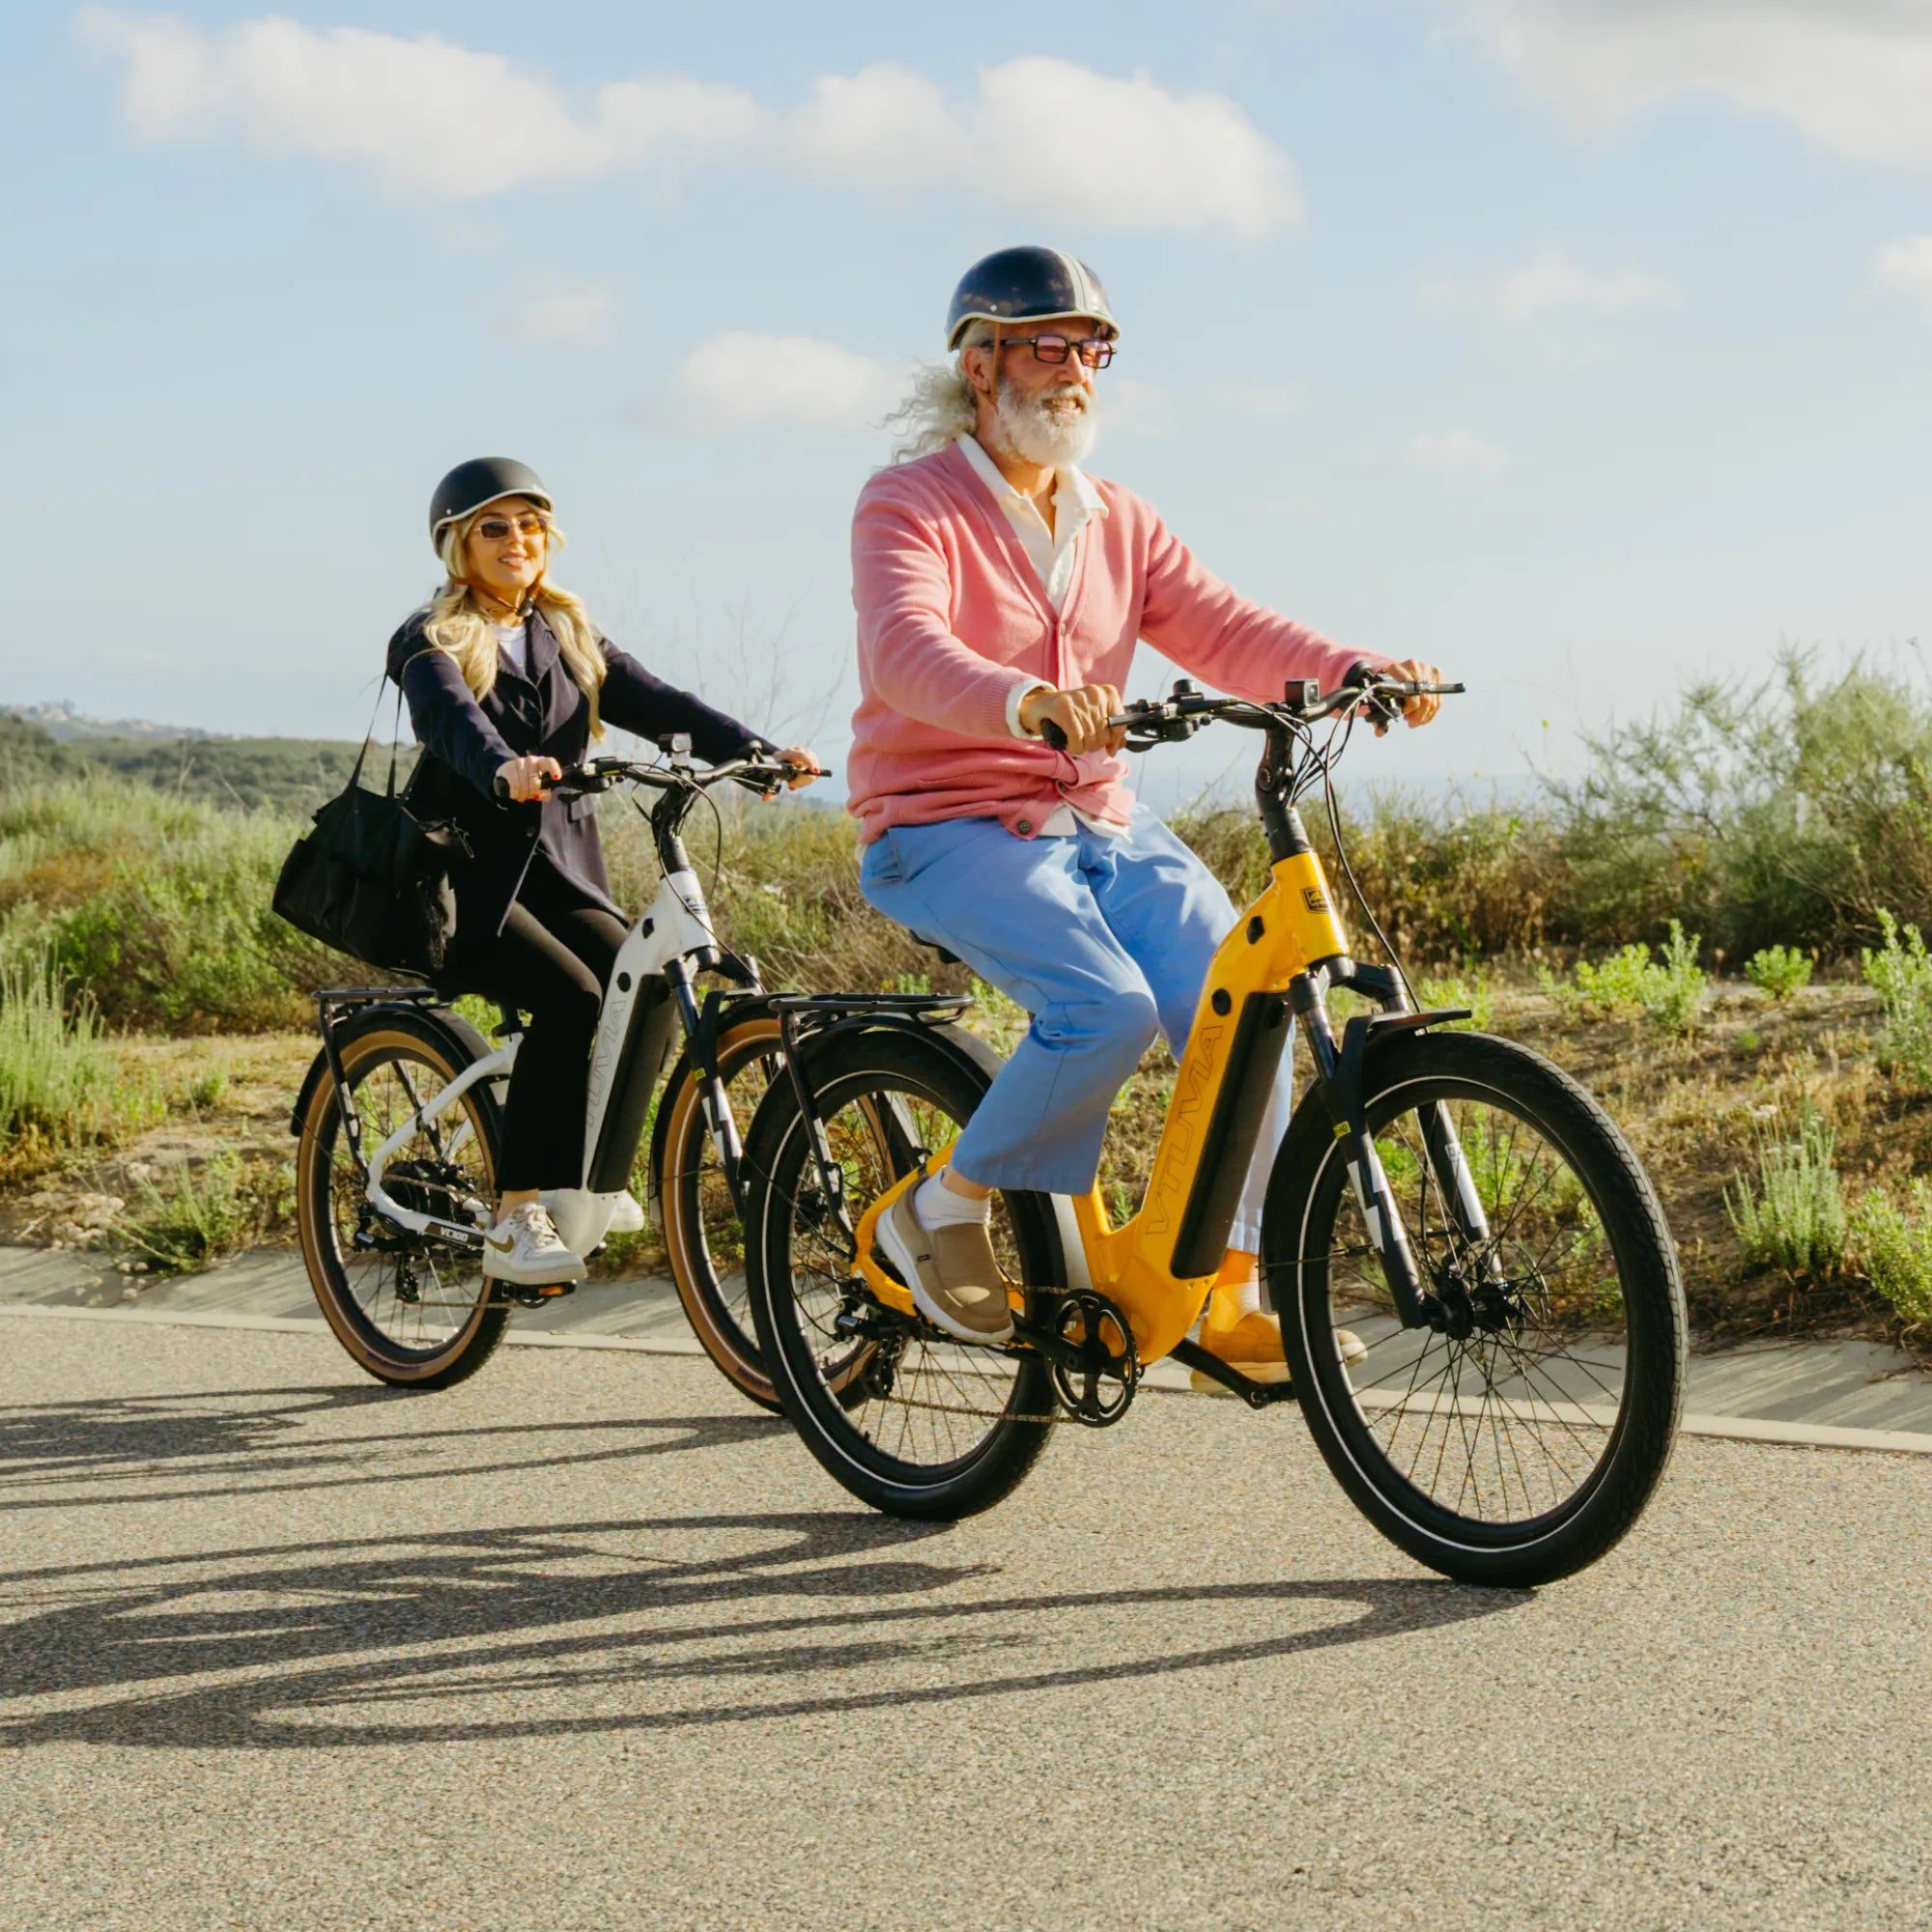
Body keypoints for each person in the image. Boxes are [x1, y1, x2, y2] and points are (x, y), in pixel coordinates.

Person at [849, 247, 1444, 1386]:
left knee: (1250, 1000)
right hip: (943, 824)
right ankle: (941, 1206)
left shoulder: (1116, 517)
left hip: (1098, 821)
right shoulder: (908, 502)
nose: (1074, 369)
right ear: (979, 364)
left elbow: (1227, 628)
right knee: (1103, 1007)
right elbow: (903, 646)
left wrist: (1353, 668)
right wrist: (1021, 699)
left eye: (1092, 350)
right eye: (1047, 346)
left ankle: (1224, 1288)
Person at [389, 457, 818, 1287]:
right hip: (464, 880)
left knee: (644, 983)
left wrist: (757, 754)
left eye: (531, 525)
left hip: (555, 870)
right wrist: (502, 768)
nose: (518, 540)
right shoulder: (429, 637)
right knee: (571, 996)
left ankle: (590, 1171)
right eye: (495, 528)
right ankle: (517, 1212)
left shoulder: (566, 633)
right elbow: (450, 719)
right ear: (457, 545)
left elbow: (661, 705)